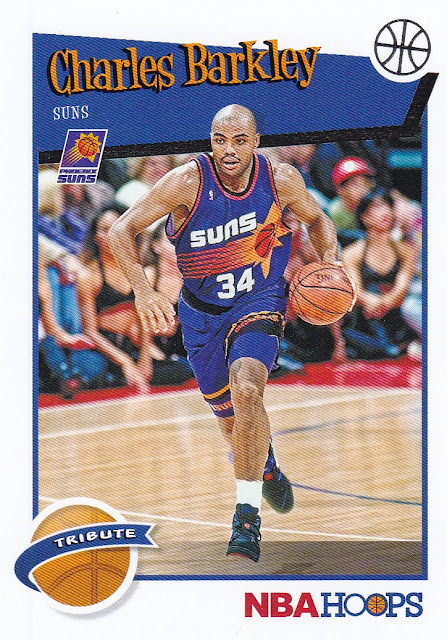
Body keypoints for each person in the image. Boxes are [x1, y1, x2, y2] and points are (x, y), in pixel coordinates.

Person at [108, 104, 343, 563]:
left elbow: (317, 219)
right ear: (211, 141)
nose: (229, 150)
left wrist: (329, 260)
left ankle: (246, 519)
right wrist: (143, 291)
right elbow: (121, 230)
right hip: (201, 316)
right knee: (230, 420)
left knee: (248, 388)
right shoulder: (186, 182)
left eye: (239, 140)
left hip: (260, 300)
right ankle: (266, 465)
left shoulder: (280, 179)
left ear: (255, 141)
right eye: (220, 140)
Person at [77, 210, 154, 393]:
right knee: (98, 375)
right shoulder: (88, 276)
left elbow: (145, 320)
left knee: (181, 370)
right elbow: (90, 331)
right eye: (104, 230)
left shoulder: (139, 271)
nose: (112, 235)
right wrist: (125, 362)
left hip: (131, 344)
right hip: (103, 349)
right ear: (96, 237)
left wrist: (145, 358)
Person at [342, 189, 418, 359]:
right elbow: (356, 291)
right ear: (364, 217)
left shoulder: (406, 250)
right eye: (377, 207)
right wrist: (372, 301)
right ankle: (394, 348)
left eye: (388, 206)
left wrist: (382, 303)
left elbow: (401, 289)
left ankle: (399, 346)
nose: (385, 212)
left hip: (395, 313)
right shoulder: (352, 253)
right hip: (366, 317)